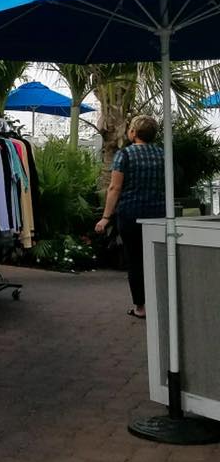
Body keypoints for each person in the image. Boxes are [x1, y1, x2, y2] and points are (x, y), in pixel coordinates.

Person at [95, 115, 165, 320]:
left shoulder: (124, 155)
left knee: (135, 260)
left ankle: (140, 307)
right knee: (157, 259)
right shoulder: (163, 154)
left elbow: (114, 188)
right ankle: (160, 303)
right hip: (158, 214)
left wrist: (105, 217)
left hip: (131, 214)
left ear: (133, 133)